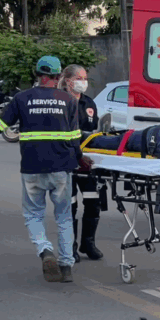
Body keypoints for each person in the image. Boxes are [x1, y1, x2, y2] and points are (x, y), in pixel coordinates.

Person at [0, 56, 93, 284]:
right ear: (58, 77)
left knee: (33, 215)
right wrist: (80, 159)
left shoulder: (22, 99)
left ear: (38, 75)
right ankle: (66, 266)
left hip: (32, 168)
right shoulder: (68, 101)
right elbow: (73, 138)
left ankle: (45, 251)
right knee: (64, 218)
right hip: (61, 169)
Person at [58, 65, 103, 263]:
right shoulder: (58, 101)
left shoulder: (89, 103)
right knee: (71, 206)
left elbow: (94, 132)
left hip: (88, 163)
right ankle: (71, 247)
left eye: (85, 78)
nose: (83, 81)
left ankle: (88, 243)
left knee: (94, 203)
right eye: (79, 77)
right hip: (67, 162)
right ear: (68, 80)